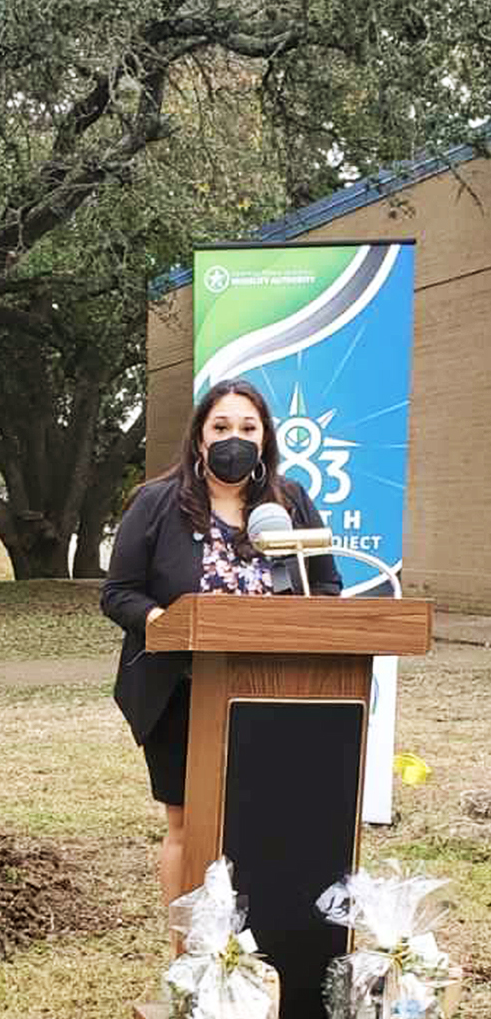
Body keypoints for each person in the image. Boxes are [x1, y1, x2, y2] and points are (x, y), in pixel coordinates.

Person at [100, 377, 341, 907]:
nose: (235, 437)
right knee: (189, 822)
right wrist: (165, 619)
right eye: (222, 426)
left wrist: (300, 620)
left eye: (248, 427)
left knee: (262, 821)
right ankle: (189, 957)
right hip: (182, 693)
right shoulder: (156, 503)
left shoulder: (290, 502)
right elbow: (118, 594)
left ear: (266, 438)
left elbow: (325, 583)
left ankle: (255, 946)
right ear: (199, 439)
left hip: (275, 690)